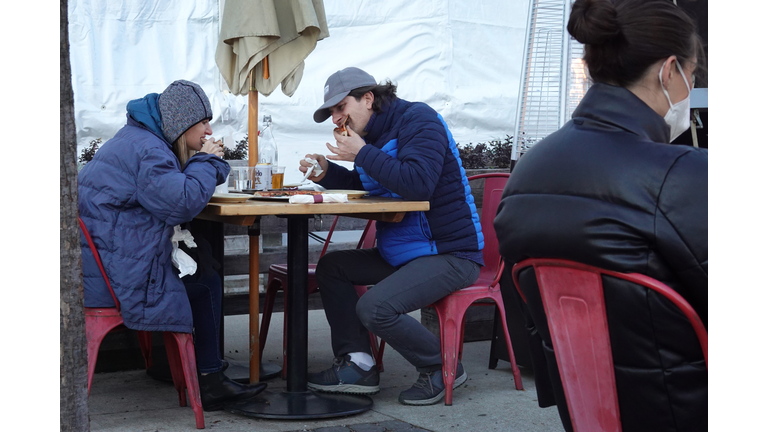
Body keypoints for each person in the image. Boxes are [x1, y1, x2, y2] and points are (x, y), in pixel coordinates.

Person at [493, 1, 707, 431]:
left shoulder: (527, 173)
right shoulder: (683, 173)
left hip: (587, 409)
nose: (692, 86)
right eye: (694, 74)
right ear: (670, 71)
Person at [298, 67, 484, 406]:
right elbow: (373, 188)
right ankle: (359, 364)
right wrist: (328, 172)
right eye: (332, 113)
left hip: (450, 254)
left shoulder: (419, 120)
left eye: (341, 107)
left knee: (375, 307)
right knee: (332, 267)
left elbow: (417, 184)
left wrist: (362, 154)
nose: (337, 118)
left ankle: (442, 368)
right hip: (403, 255)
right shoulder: (371, 138)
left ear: (368, 98)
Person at [78, 79, 267, 411]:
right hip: (117, 277)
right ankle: (209, 380)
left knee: (203, 261)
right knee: (206, 283)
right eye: (204, 121)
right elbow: (183, 201)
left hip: (101, 267)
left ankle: (201, 372)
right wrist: (208, 160)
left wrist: (204, 163)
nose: (210, 129)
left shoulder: (136, 139)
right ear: (183, 122)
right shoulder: (149, 151)